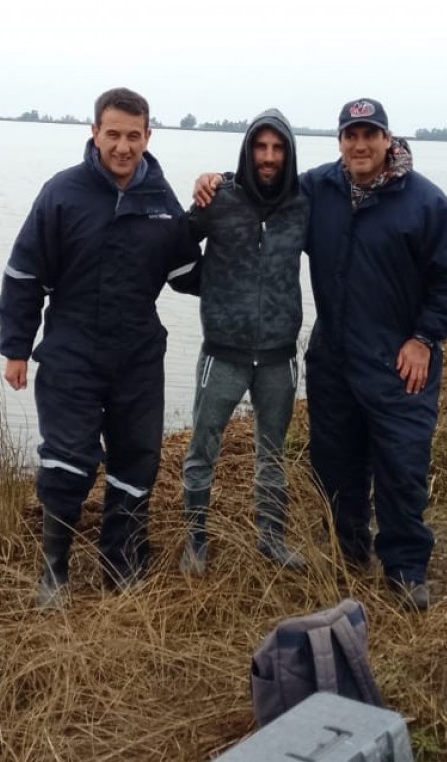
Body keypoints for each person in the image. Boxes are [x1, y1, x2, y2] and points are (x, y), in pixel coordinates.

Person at [195, 98, 447, 610]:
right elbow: (266, 186)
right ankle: (349, 553)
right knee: (335, 462)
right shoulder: (318, 189)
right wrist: (216, 181)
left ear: (389, 141)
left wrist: (424, 338)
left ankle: (406, 567)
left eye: (370, 135)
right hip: (333, 354)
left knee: (401, 464)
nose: (360, 145)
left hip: (399, 358)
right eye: (351, 135)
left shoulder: (425, 202)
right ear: (340, 142)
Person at [0, 87, 201, 609]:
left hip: (138, 353)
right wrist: (16, 347)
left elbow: (187, 274)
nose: (123, 146)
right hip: (71, 349)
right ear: (94, 133)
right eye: (113, 134)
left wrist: (226, 224)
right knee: (68, 460)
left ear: (148, 137)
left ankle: (122, 564)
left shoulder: (160, 198)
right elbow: (24, 274)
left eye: (134, 135)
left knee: (137, 460)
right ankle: (54, 573)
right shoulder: (63, 193)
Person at [180, 109, 308, 574]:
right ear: (248, 150)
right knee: (202, 449)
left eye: (277, 148)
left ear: (288, 153)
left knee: (271, 453)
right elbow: (173, 251)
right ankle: (194, 539)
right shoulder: (217, 198)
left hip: (279, 356)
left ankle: (271, 538)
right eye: (261, 146)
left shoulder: (303, 203)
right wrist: (210, 284)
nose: (269, 157)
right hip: (223, 353)